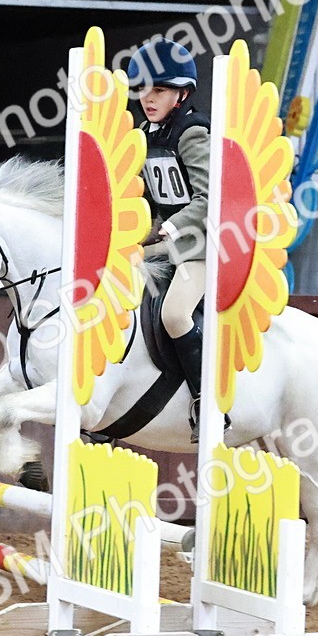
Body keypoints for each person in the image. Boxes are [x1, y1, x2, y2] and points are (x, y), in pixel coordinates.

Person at [126, 38, 217, 442]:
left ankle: (206, 403)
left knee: (177, 314)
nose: (147, 97)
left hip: (202, 244)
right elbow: (152, 200)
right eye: (143, 89)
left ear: (181, 94)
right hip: (169, 239)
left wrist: (170, 227)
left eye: (158, 90)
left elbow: (208, 197)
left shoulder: (192, 132)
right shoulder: (145, 135)